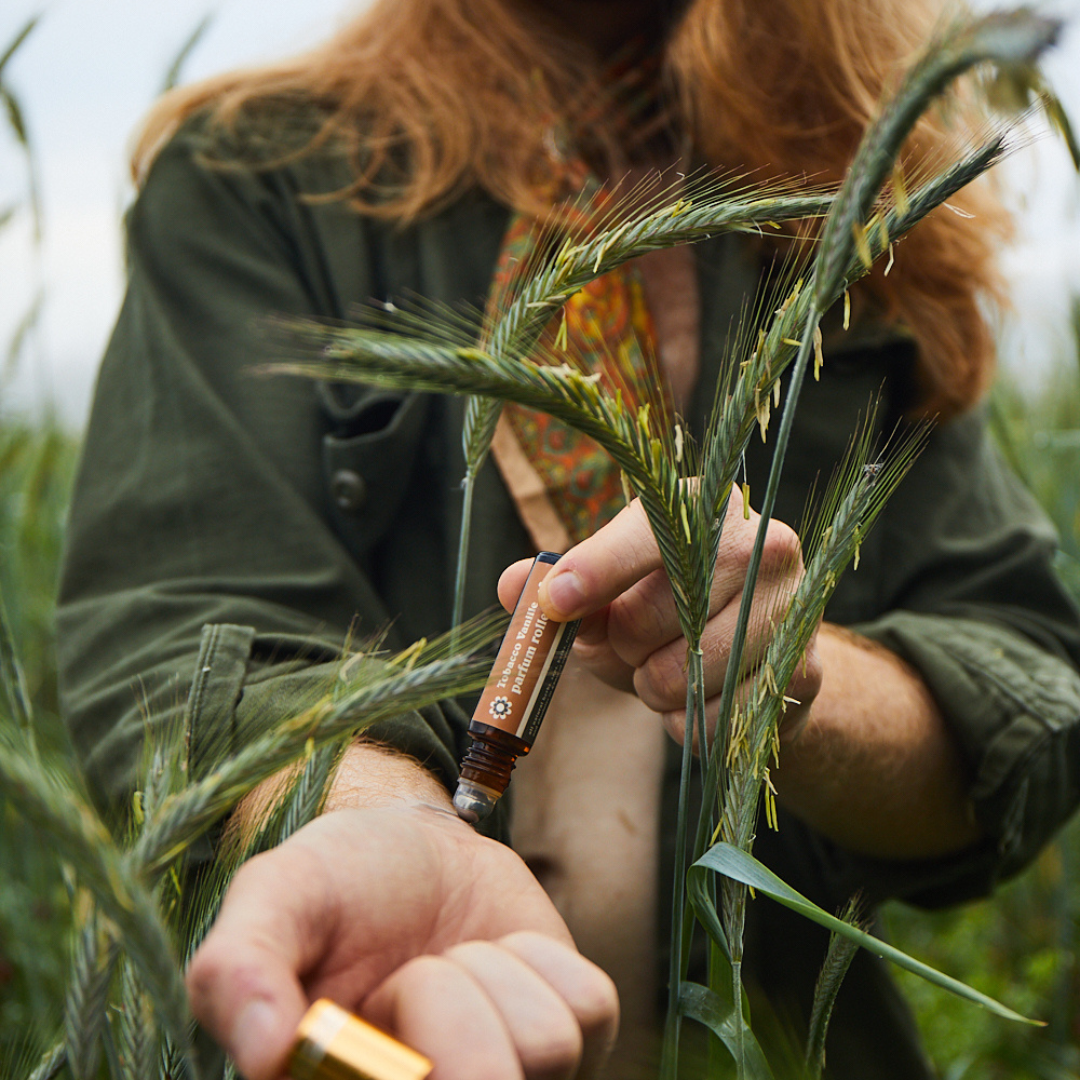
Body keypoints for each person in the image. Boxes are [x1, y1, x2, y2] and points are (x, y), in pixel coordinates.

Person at [56, 0, 1080, 1077]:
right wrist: (379, 819)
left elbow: (1025, 702)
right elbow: (179, 630)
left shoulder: (851, 191)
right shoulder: (260, 179)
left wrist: (801, 679)